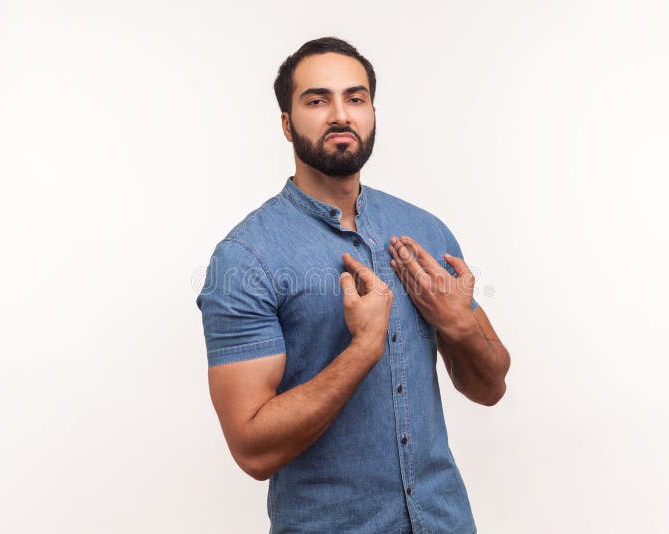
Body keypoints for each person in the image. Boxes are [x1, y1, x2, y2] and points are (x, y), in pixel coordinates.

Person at [196, 36, 511, 534]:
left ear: (372, 114)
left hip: (445, 521)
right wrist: (363, 347)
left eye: (356, 98)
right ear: (286, 123)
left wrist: (460, 327)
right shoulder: (245, 258)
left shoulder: (425, 231)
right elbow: (252, 450)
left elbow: (491, 386)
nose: (340, 114)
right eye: (317, 100)